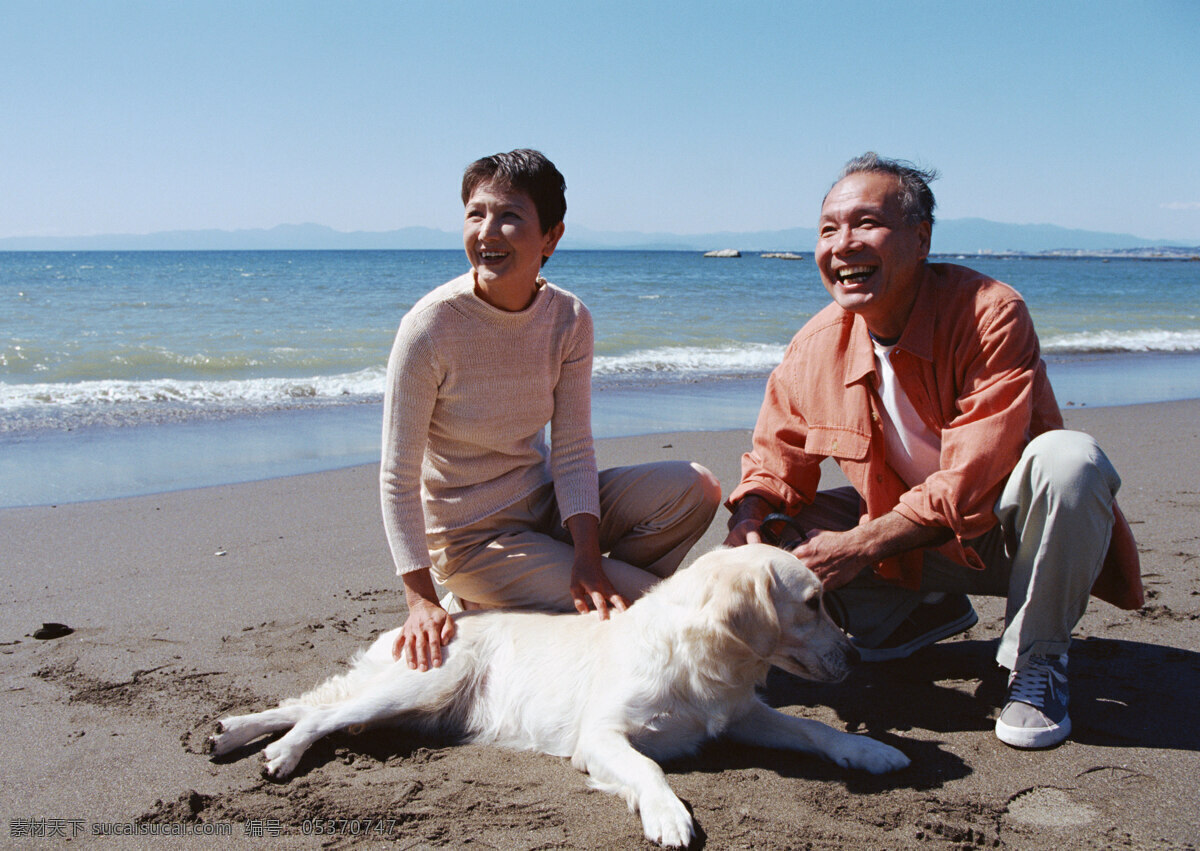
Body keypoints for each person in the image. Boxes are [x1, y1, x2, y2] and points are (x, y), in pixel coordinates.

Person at [724, 153, 1142, 749]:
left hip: (1009, 537)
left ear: (921, 240)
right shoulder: (815, 344)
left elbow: (972, 481)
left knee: (1070, 461)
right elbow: (774, 462)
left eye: (866, 223)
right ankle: (917, 613)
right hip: (911, 545)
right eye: (827, 229)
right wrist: (749, 522)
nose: (843, 245)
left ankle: (1036, 661)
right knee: (778, 532)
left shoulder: (990, 314)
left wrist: (862, 544)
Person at [381, 149, 721, 673]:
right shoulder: (430, 327)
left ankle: (569, 604)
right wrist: (419, 599)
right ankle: (534, 601)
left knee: (697, 488)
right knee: (663, 607)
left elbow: (572, 448)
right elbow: (397, 478)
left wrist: (587, 558)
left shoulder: (568, 317)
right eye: (476, 213)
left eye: (510, 216)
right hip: (474, 539)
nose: (487, 231)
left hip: (544, 508)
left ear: (551, 237)